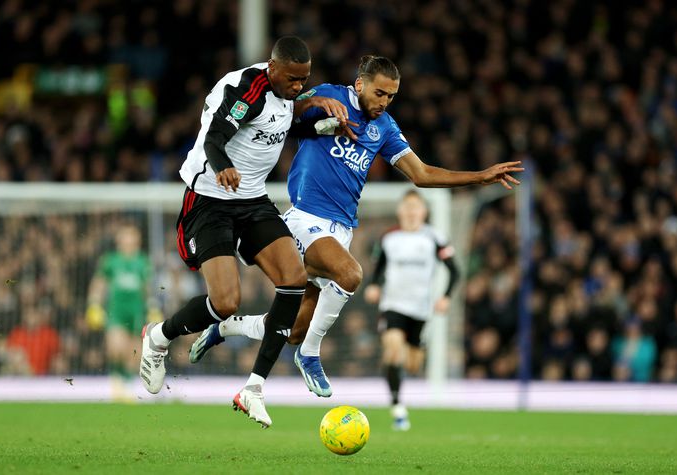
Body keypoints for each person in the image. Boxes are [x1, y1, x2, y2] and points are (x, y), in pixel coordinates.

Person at [189, 55, 523, 399]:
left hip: (340, 231)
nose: (384, 102)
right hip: (304, 219)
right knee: (350, 274)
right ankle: (310, 355)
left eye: (392, 96)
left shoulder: (385, 128)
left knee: (290, 330)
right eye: (380, 93)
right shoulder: (331, 96)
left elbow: (421, 174)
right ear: (360, 84)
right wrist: (314, 105)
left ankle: (225, 328)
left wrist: (479, 176)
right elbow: (286, 111)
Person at [138, 36, 351, 428]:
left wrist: (317, 119)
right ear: (272, 67)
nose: (298, 86)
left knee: (293, 278)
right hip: (209, 199)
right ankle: (158, 338)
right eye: (292, 79)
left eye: (304, 80)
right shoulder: (246, 89)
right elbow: (215, 138)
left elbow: (278, 127)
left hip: (251, 199)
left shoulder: (287, 93)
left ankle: (253, 388)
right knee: (225, 302)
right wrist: (222, 167)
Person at [363, 189, 460, 431]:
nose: (411, 212)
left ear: (424, 212)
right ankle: (397, 407)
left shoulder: (435, 238)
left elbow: (455, 270)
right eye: (406, 207)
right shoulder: (388, 238)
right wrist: (374, 285)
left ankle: (416, 349)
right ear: (400, 211)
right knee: (393, 351)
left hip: (421, 310)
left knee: (413, 364)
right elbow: (379, 268)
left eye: (415, 207)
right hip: (393, 305)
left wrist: (446, 297)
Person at [86, 224, 158, 401]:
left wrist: (153, 308)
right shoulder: (110, 260)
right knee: (115, 348)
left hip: (136, 311)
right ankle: (117, 379)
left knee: (134, 353)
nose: (129, 241)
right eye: (126, 236)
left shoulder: (143, 261)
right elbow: (99, 284)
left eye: (132, 237)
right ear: (119, 240)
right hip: (116, 311)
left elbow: (148, 289)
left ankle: (126, 386)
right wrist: (94, 304)